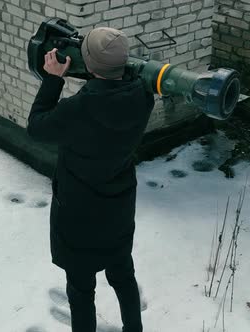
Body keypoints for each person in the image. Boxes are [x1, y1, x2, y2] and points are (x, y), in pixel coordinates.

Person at [26, 27, 155, 332]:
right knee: (123, 276)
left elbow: (36, 127)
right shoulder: (142, 96)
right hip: (119, 207)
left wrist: (53, 79)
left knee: (82, 291)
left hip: (79, 215)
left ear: (90, 66)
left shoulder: (78, 110)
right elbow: (118, 84)